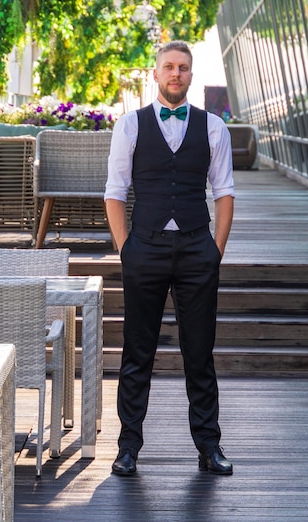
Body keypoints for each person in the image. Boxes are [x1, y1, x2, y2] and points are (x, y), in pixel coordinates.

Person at [104, 40, 235, 477]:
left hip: (198, 248)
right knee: (137, 352)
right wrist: (127, 249)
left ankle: (209, 446)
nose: (175, 74)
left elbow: (224, 191)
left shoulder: (213, 127)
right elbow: (114, 192)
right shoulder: (131, 126)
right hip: (145, 248)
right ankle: (128, 448)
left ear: (191, 76)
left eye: (182, 67)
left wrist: (215, 251)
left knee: (200, 353)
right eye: (168, 67)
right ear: (156, 74)